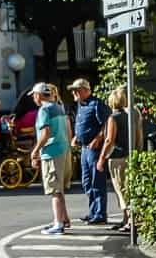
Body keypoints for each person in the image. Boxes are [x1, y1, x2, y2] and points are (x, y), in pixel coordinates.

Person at [29, 82, 74, 235]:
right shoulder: (59, 107)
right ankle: (64, 219)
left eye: (34, 95)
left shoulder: (44, 110)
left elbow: (45, 133)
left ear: (39, 95)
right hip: (64, 150)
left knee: (54, 190)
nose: (34, 98)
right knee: (59, 189)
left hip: (52, 152)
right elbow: (69, 130)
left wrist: (35, 151)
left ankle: (58, 224)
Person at [69, 78, 112, 226]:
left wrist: (99, 138)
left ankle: (100, 214)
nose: (74, 93)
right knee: (87, 182)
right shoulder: (81, 105)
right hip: (84, 148)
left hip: (94, 149)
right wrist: (76, 137)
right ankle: (94, 211)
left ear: (86, 90)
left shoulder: (97, 104)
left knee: (96, 182)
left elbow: (107, 124)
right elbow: (83, 124)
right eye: (73, 90)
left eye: (76, 90)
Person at [99, 87, 131, 230]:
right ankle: (126, 219)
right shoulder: (129, 115)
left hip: (117, 156)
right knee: (127, 187)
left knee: (121, 189)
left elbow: (109, 140)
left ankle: (130, 220)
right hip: (128, 154)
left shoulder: (113, 118)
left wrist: (102, 157)